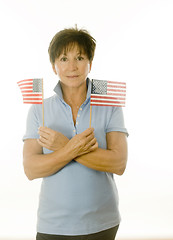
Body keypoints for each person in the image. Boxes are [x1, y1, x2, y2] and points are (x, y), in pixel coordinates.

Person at [23, 27, 128, 240]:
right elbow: (31, 169)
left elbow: (118, 164)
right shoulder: (38, 109)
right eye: (63, 59)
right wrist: (72, 147)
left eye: (79, 57)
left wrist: (63, 145)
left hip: (102, 223)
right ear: (54, 66)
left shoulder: (110, 105)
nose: (72, 66)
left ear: (90, 63)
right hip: (53, 226)